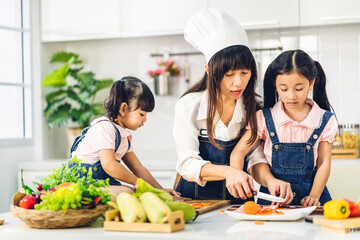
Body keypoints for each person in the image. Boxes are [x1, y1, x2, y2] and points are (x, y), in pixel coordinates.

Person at [173, 8, 293, 204]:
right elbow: (187, 164)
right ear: (209, 71)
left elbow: (256, 159)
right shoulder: (189, 107)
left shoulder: (254, 108)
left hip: (237, 206)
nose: (238, 82)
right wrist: (228, 172)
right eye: (229, 75)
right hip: (194, 203)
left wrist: (271, 181)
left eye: (245, 73)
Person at [230, 50, 338, 206]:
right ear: (275, 85)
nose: (291, 96)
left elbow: (324, 163)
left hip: (311, 200)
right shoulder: (264, 118)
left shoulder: (324, 120)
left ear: (311, 83)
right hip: (273, 200)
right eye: (284, 89)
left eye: (299, 89)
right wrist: (237, 177)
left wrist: (314, 195)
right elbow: (238, 153)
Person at [70, 76, 179, 197]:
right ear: (123, 108)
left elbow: (138, 167)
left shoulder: (124, 137)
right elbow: (109, 165)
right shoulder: (104, 128)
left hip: (101, 183)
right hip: (82, 184)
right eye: (142, 114)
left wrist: (160, 189)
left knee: (137, 193)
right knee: (128, 193)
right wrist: (136, 182)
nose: (145, 120)